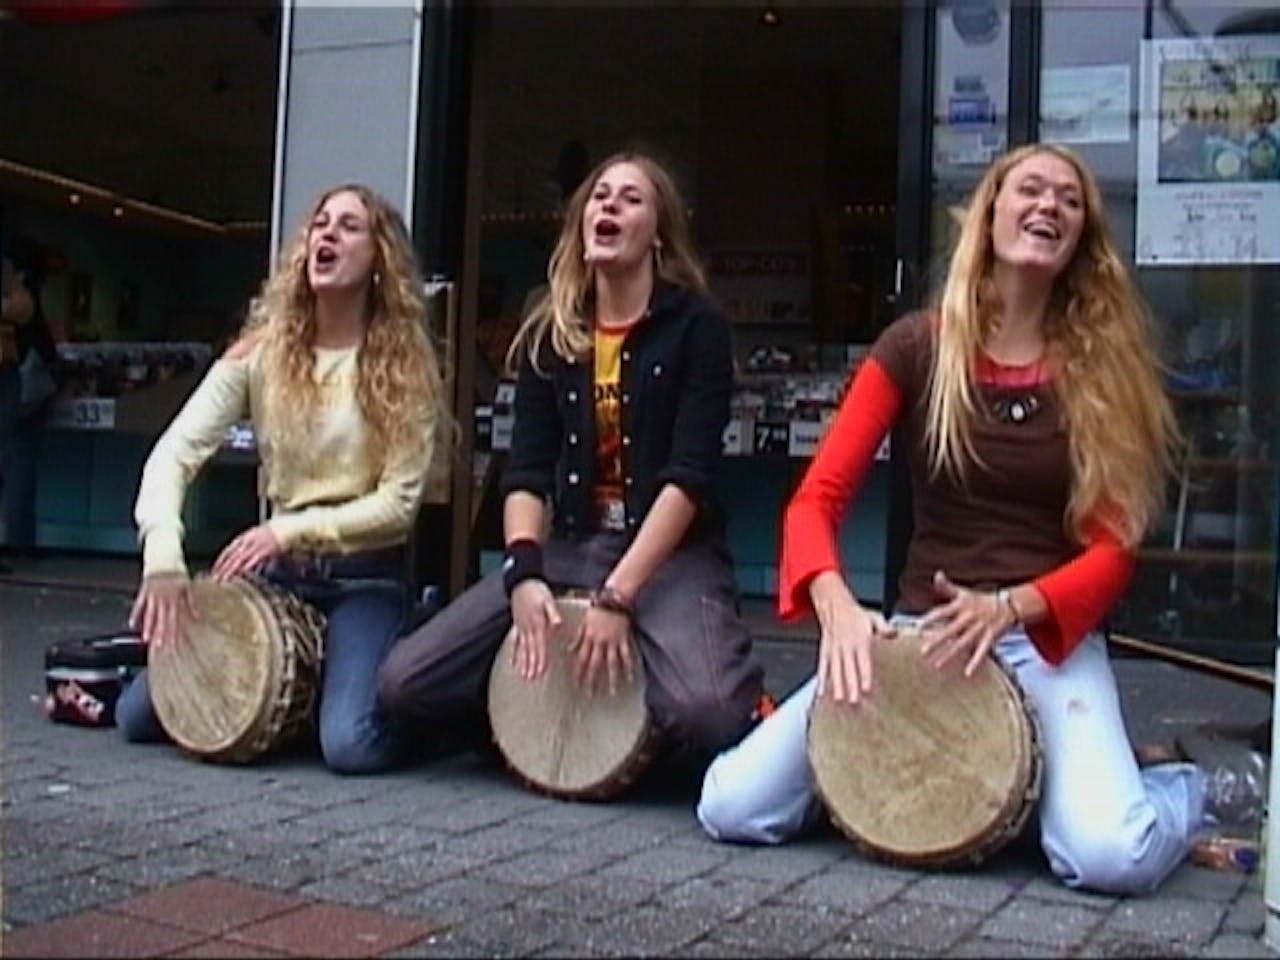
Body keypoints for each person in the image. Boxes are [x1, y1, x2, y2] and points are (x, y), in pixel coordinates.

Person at [695, 144, 1258, 895]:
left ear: (1081, 239)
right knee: (731, 804)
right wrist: (839, 611)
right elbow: (815, 500)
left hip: (1042, 639)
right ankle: (893, 790)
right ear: (989, 214)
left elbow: (1114, 549)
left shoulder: (1104, 367)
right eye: (1029, 190)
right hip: (922, 634)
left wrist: (1010, 608)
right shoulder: (917, 347)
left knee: (1108, 857)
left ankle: (1176, 789)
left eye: (1068, 199)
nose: (1048, 207)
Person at [378, 151, 765, 776]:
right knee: (404, 682)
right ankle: (517, 721)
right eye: (599, 196)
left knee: (711, 711)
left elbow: (689, 477)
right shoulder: (549, 334)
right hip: (572, 541)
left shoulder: (698, 326)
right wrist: (525, 573)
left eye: (631, 198)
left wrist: (617, 598)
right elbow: (526, 470)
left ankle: (664, 697)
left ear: (658, 234)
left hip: (668, 552)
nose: (609, 205)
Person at [117, 183, 447, 774]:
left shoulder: (407, 365)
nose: (327, 234)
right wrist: (163, 559)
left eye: (349, 227)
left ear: (381, 261)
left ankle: (408, 670)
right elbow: (173, 456)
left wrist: (287, 531)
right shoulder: (261, 352)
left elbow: (399, 505)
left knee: (350, 746)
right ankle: (318, 683)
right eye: (321, 223)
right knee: (139, 715)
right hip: (276, 576)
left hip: (364, 580)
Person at [2, 240, 59, 567]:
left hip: (14, 373)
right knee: (18, 462)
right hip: (18, 377)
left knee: (13, 462)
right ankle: (18, 540)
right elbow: (27, 318)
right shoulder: (19, 287)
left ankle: (16, 539)